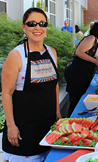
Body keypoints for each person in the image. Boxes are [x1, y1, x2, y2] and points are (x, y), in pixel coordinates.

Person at [1, 7, 61, 161]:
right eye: (32, 23)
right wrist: (11, 126)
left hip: (48, 125)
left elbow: (54, 85)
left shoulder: (52, 52)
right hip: (24, 128)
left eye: (42, 23)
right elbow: (6, 93)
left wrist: (57, 112)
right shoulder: (16, 55)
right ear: (23, 27)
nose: (37, 27)